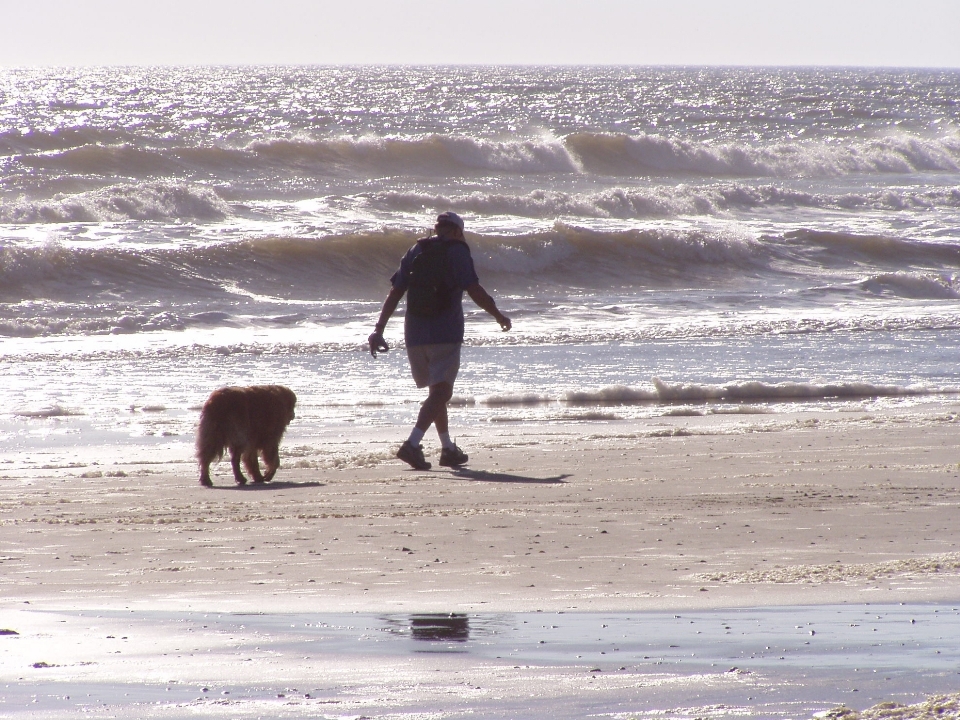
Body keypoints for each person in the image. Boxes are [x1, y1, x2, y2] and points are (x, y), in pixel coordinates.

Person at [368, 211, 511, 470]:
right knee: (442, 392)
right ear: (457, 231)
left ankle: (448, 450)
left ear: (437, 228)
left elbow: (395, 292)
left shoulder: (416, 249)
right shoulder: (457, 250)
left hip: (414, 334)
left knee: (437, 392)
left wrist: (378, 329)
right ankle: (412, 445)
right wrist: (498, 315)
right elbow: (474, 289)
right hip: (446, 332)